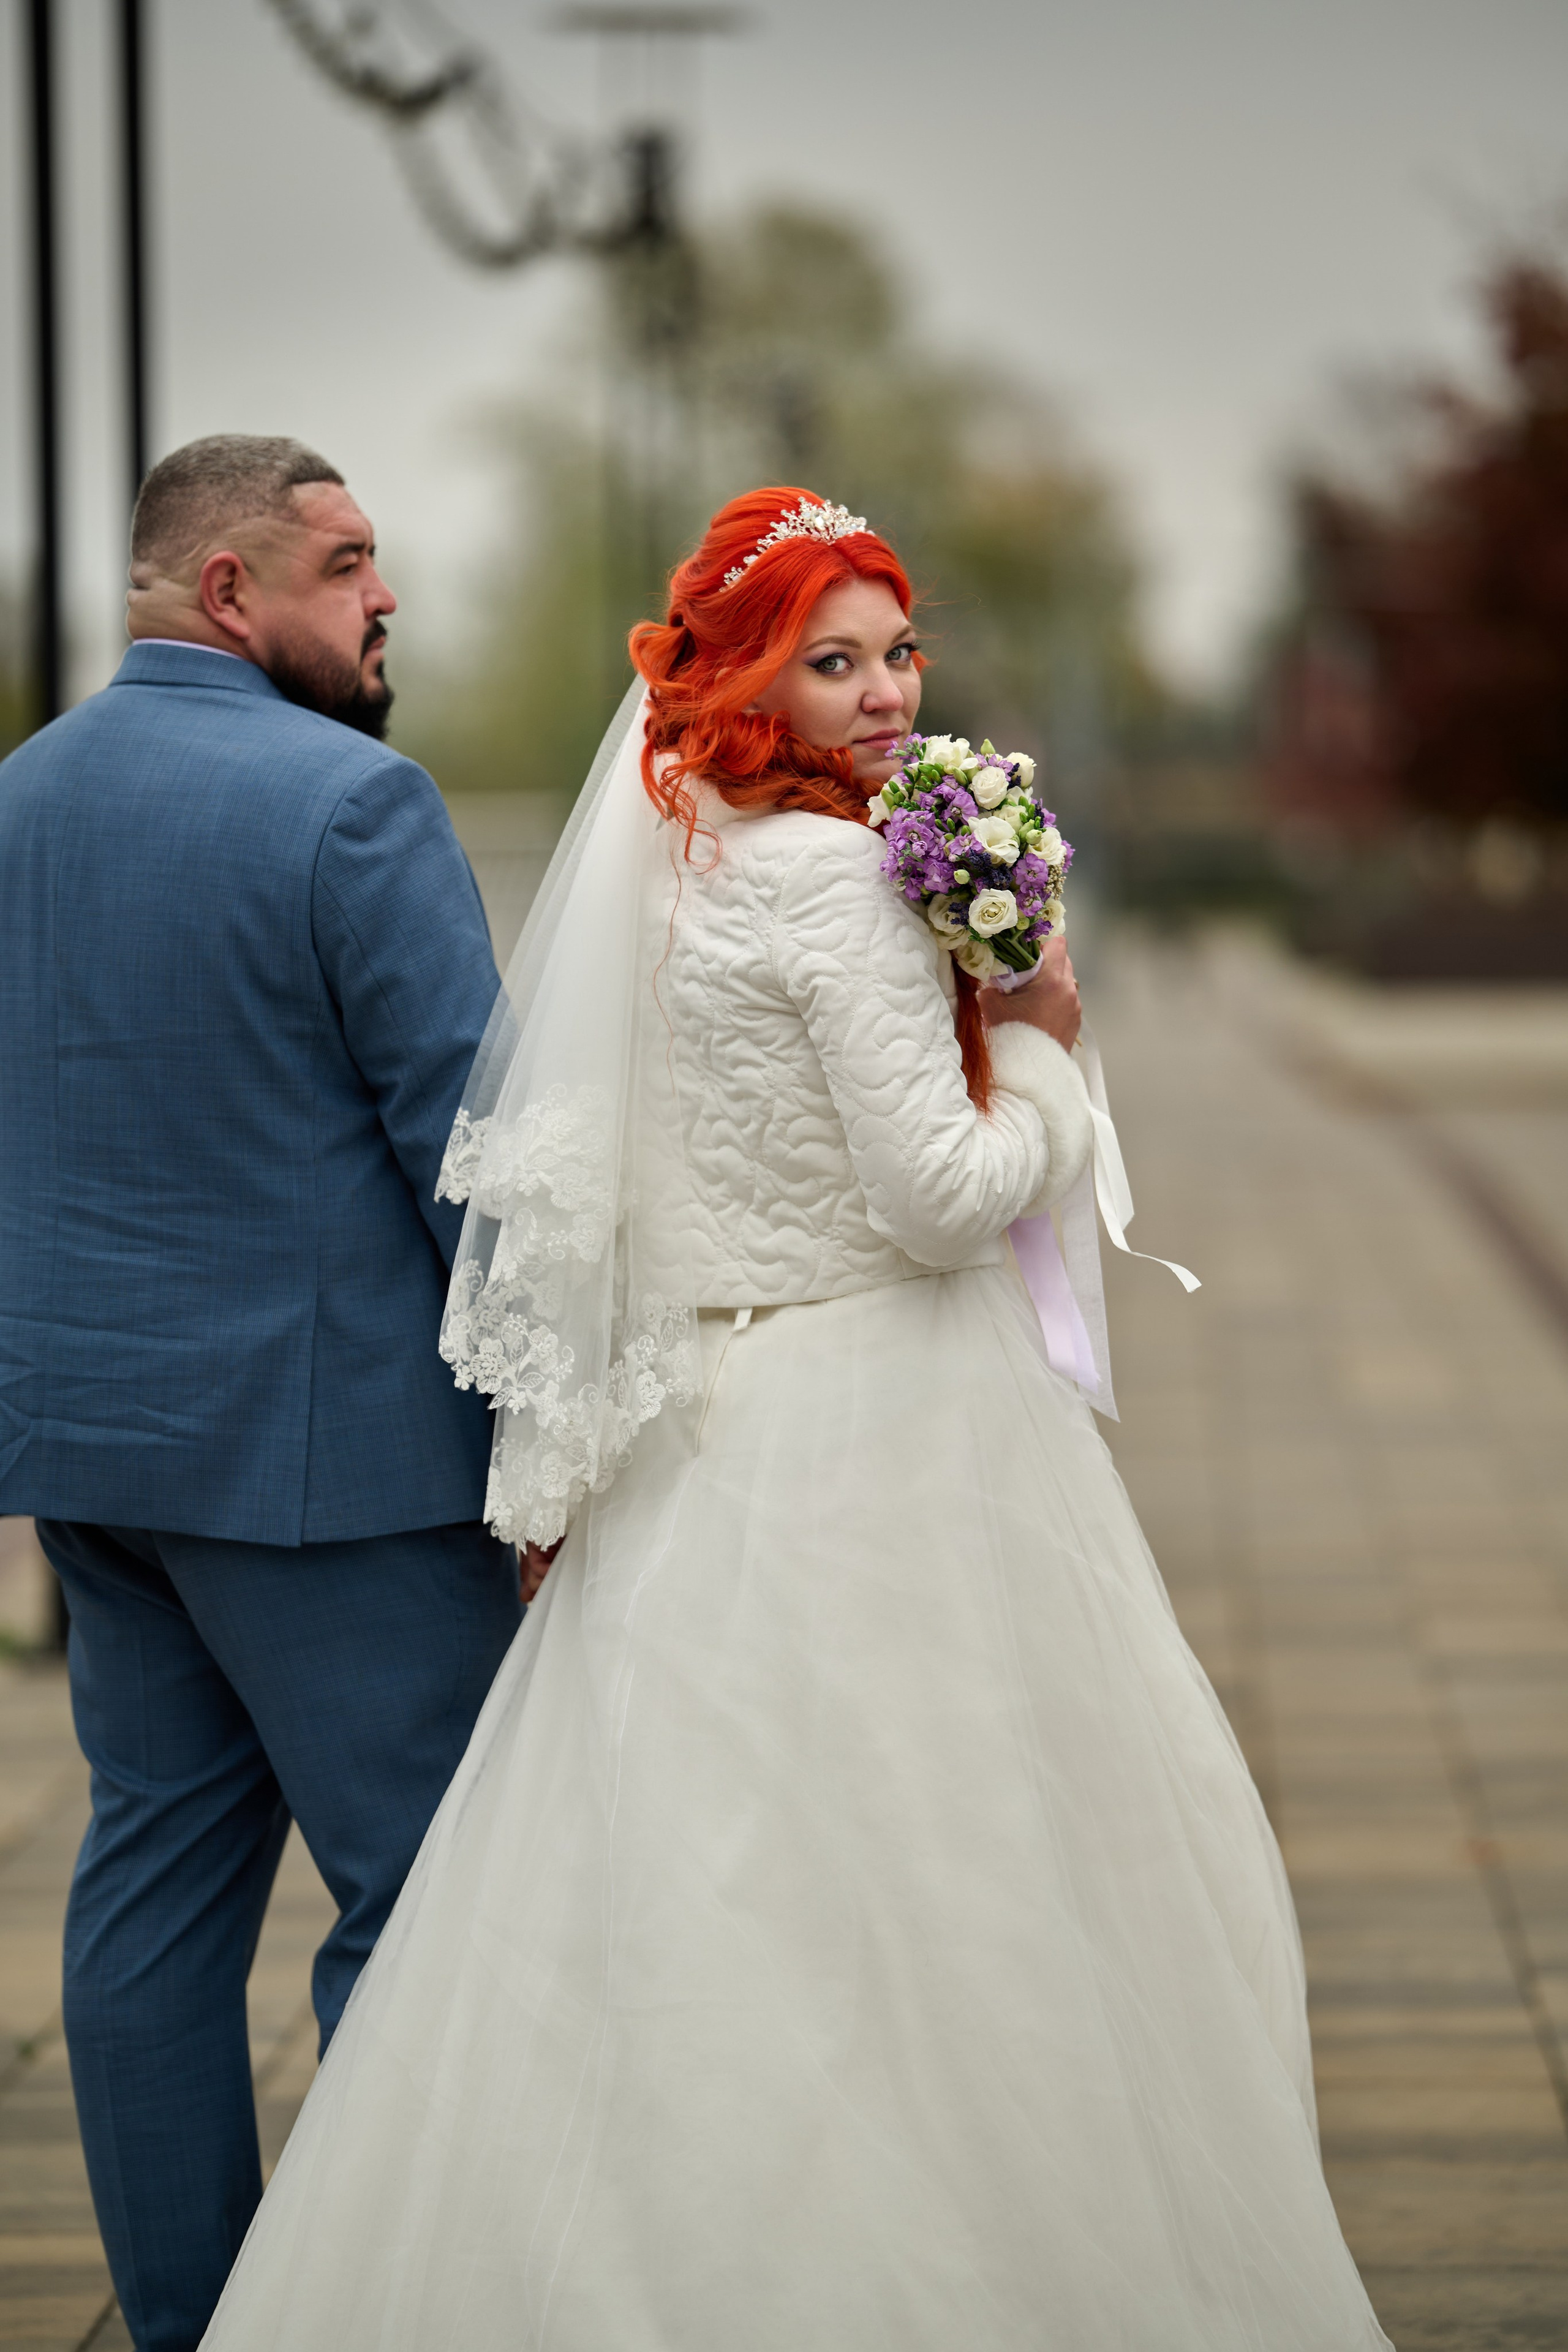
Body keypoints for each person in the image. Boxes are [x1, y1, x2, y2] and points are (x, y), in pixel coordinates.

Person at [199, 488, 1390, 2349]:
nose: (886, 693)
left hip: (712, 1418)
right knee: (960, 1877)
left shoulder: (681, 858)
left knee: (685, 1895)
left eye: (897, 652)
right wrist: (1049, 1049)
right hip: (887, 1420)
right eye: (832, 663)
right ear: (746, 678)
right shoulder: (840, 879)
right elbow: (939, 1194)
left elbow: (633, 1184)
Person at [0, 435, 524, 2352]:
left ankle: (191, 2325)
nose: (386, 598)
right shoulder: (355, 804)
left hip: (95, 1465)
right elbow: (483, 1164)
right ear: (228, 591)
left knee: (148, 1894)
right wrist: (555, 1440)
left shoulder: (15, 801)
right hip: (341, 1483)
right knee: (428, 1904)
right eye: (348, 564)